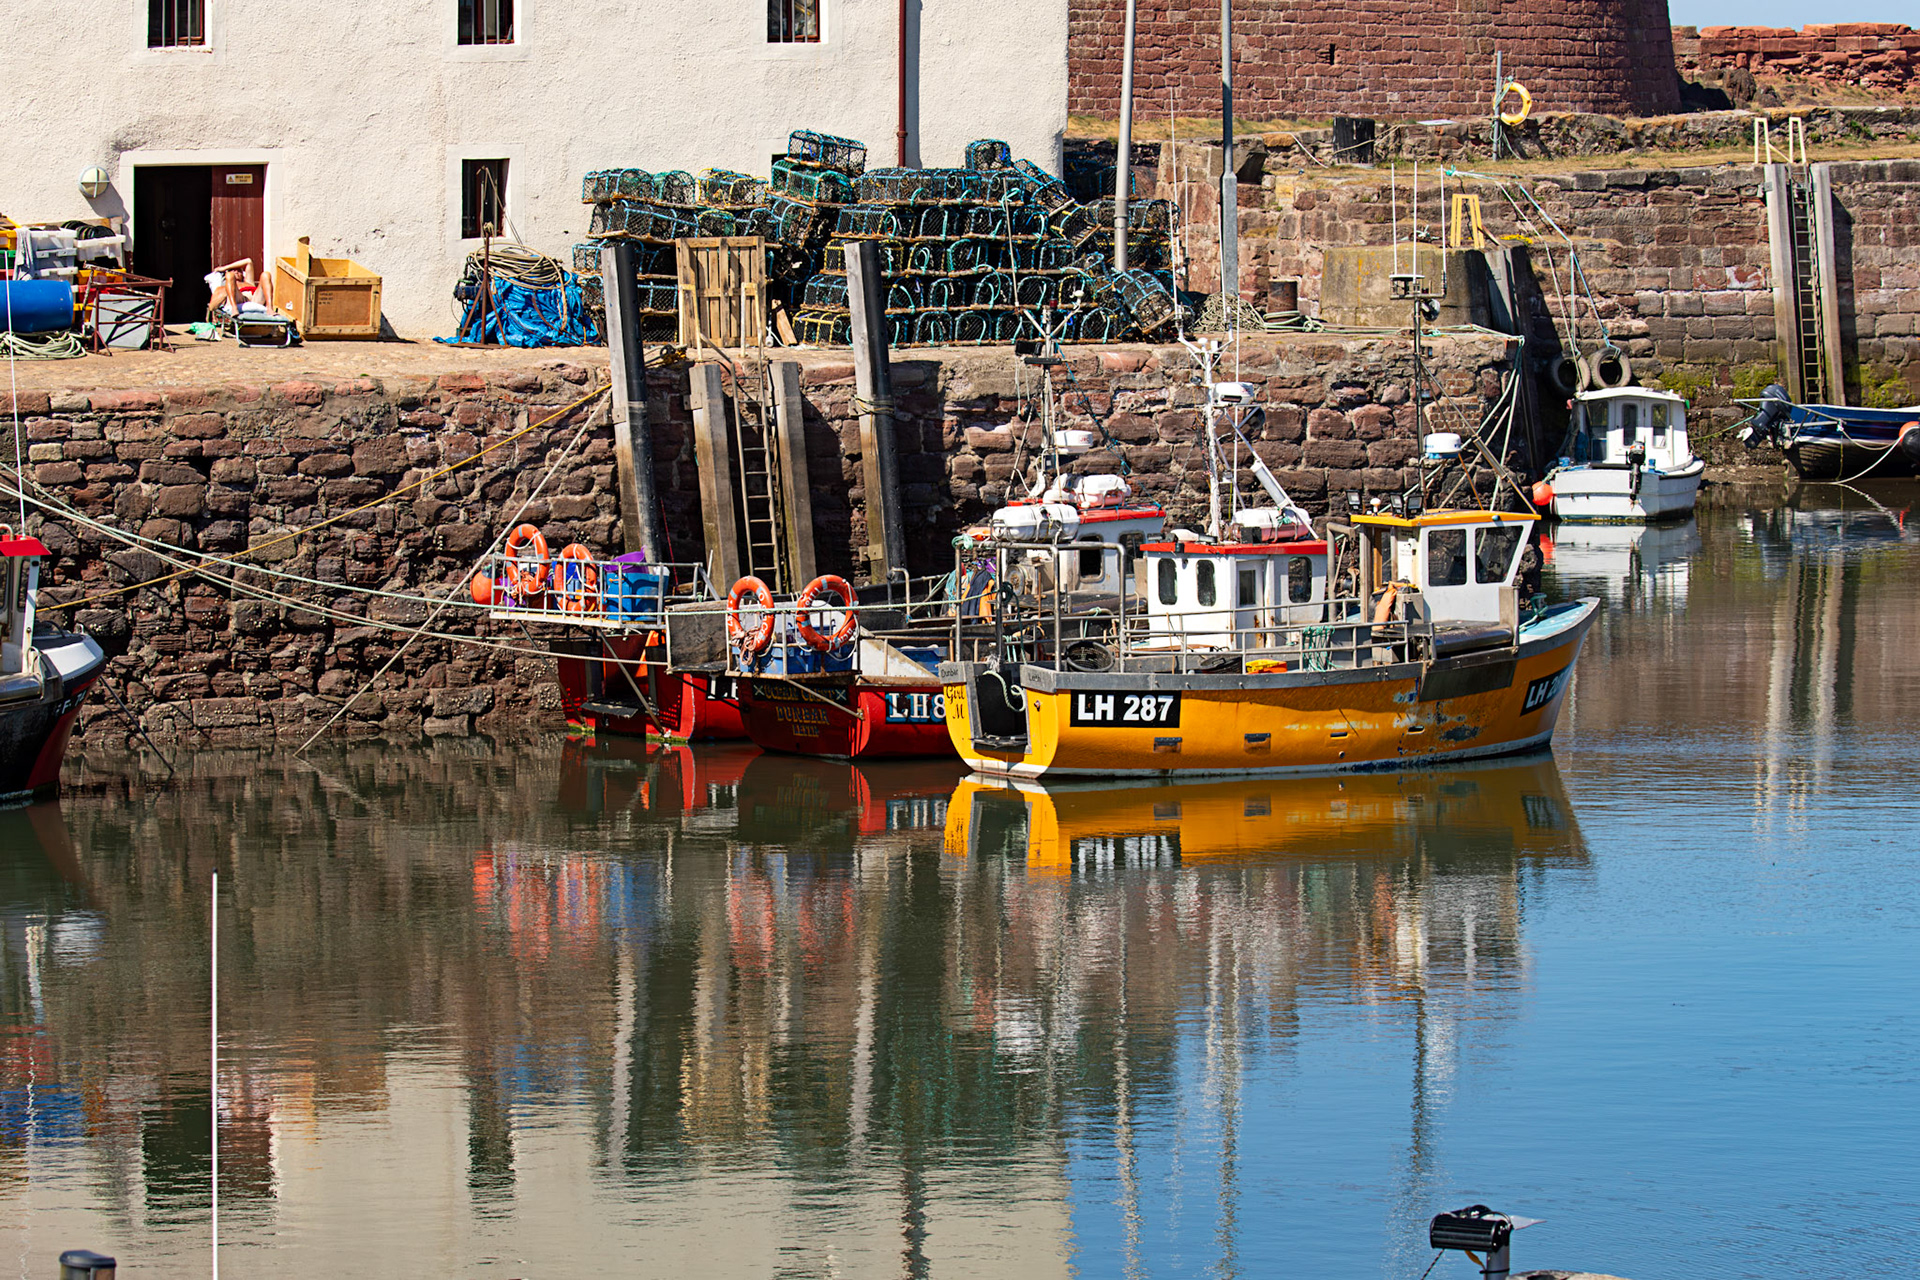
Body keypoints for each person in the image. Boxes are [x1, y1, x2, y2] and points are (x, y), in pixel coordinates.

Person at [204, 258, 273, 316]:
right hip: (239, 299)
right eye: (233, 270)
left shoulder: (248, 281)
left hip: (255, 298)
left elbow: (248, 261)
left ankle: (269, 308)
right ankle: (234, 308)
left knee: (266, 275)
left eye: (239, 271)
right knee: (230, 275)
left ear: (243, 275)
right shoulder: (224, 288)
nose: (236, 272)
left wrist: (224, 268)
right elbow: (212, 307)